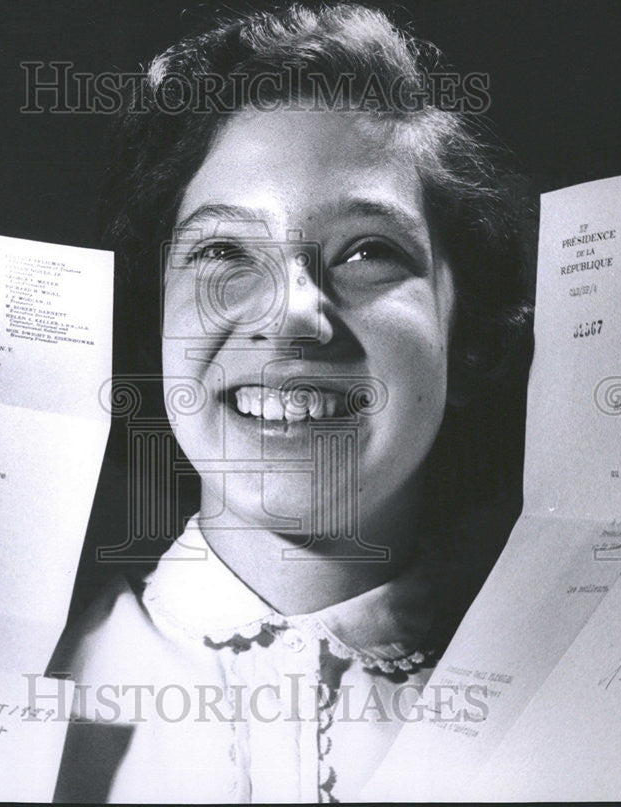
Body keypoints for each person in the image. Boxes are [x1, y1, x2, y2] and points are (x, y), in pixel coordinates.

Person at [49, 3, 534, 802]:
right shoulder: (2, 687)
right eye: (223, 251)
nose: (291, 315)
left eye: (369, 250)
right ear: (154, 323)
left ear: (468, 330)